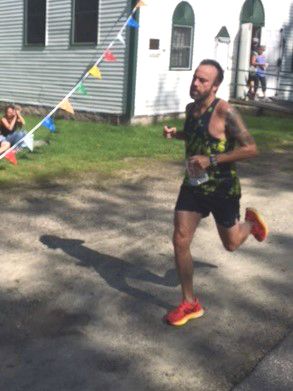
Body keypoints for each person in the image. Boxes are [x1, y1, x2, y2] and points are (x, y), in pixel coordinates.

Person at [163, 59, 268, 326]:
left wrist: (211, 160)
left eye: (203, 81)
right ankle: (189, 303)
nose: (195, 84)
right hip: (194, 186)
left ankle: (250, 223)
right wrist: (177, 134)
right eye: (195, 78)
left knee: (231, 244)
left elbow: (251, 149)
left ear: (215, 86)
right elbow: (195, 135)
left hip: (223, 189)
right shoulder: (190, 109)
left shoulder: (226, 112)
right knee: (180, 238)